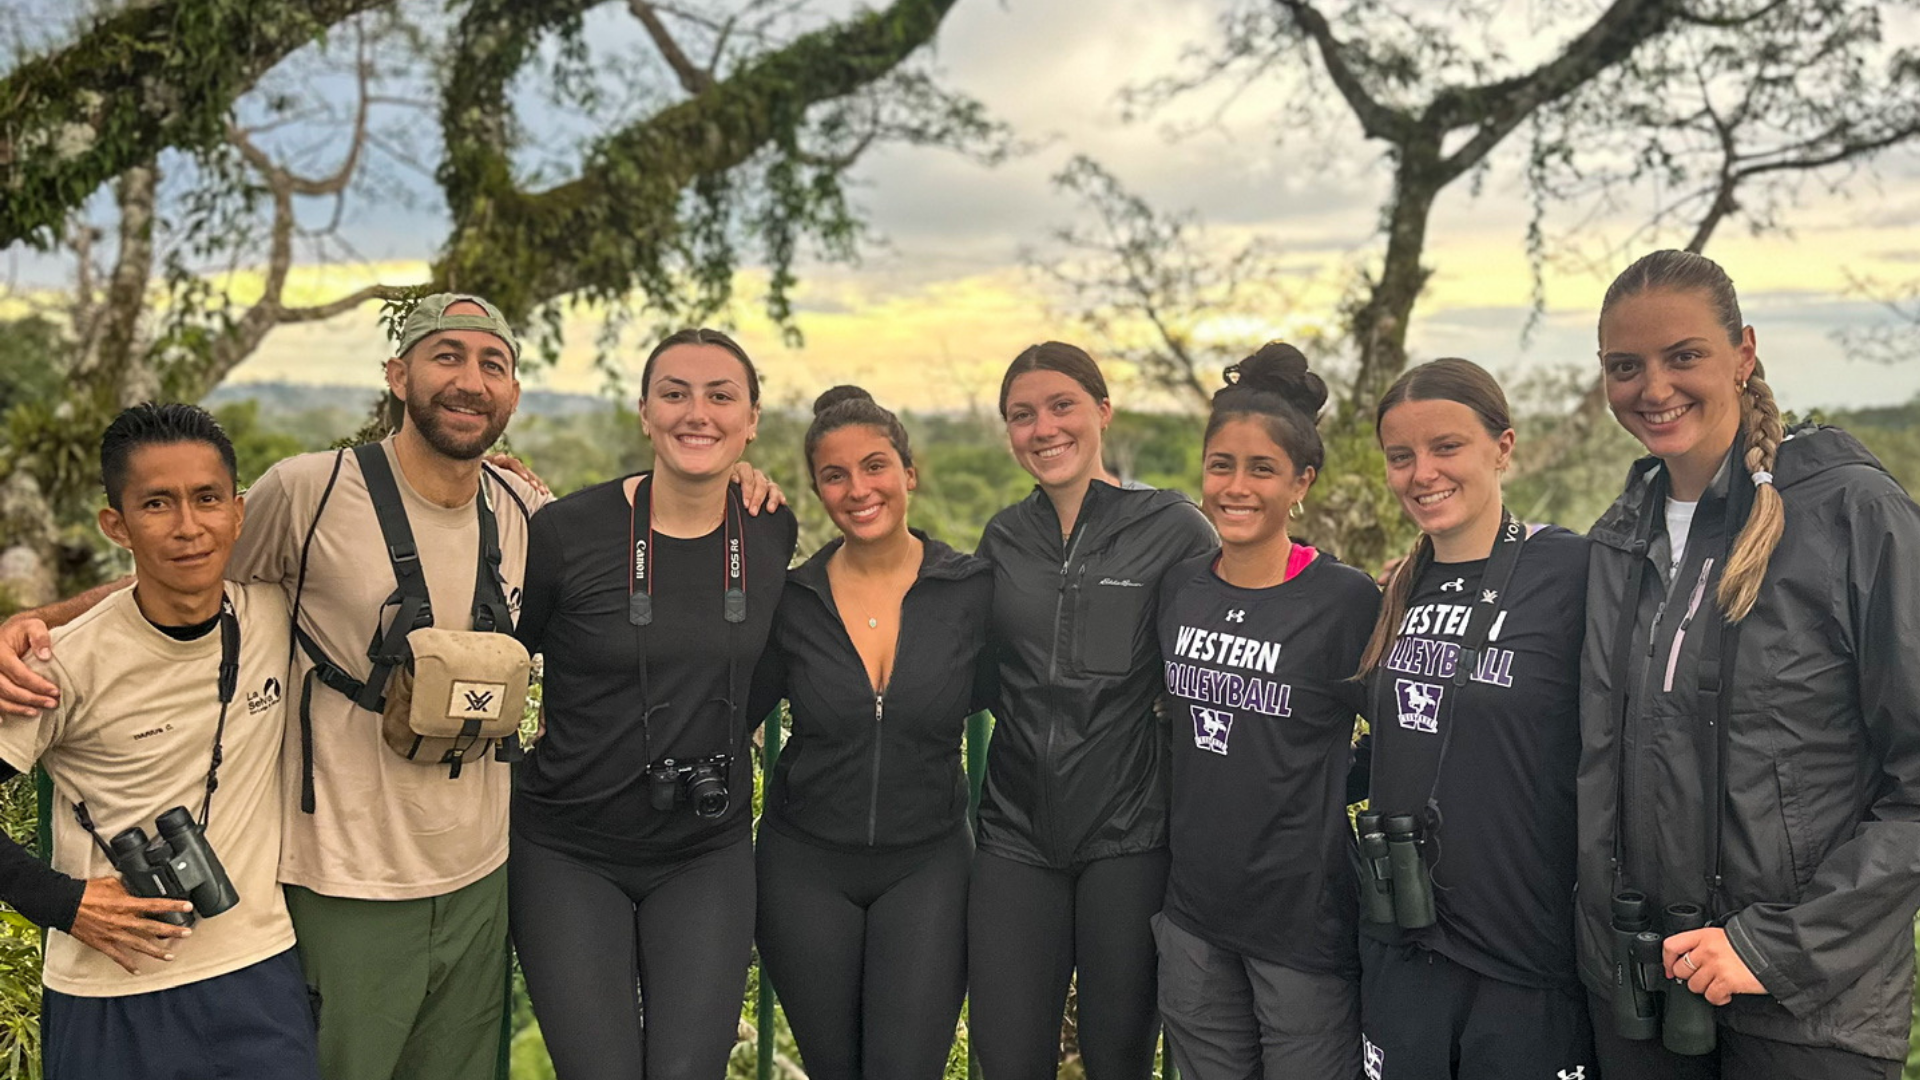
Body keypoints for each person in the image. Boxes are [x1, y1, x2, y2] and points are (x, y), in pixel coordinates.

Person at [1579, 249, 1920, 1079]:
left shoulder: (1849, 513)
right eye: (1626, 367)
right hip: (1642, 996)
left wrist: (1774, 949)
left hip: (1807, 1014)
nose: (1653, 389)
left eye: (1683, 356)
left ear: (1744, 353)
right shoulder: (1615, 541)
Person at [509, 328, 798, 1080]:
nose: (695, 413)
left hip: (704, 851)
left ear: (752, 419)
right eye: (674, 394)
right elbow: (506, 658)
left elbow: (765, 669)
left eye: (720, 396)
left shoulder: (770, 527)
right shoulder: (568, 532)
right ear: (644, 412)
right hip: (569, 849)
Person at [0, 403, 317, 1079]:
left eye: (206, 500)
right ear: (116, 525)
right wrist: (64, 902)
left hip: (256, 975)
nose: (188, 527)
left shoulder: (273, 612)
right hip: (108, 991)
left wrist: (489, 478)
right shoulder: (61, 665)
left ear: (238, 512)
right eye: (156, 504)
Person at [968, 341, 1218, 1080]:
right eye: (1021, 415)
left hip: (1129, 839)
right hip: (1014, 837)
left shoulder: (1175, 529)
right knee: (1007, 1058)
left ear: (1102, 412)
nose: (1042, 429)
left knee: (1119, 1060)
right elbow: (973, 673)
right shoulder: (1003, 539)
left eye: (1061, 406)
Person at [1352, 358, 1594, 1079]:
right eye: (1402, 456)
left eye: (1446, 447)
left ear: (1503, 447)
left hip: (1524, 957)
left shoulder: (1572, 571)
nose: (1422, 472)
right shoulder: (1397, 584)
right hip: (1403, 946)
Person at [751, 386, 992, 1080]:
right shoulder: (791, 600)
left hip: (931, 866)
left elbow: (1040, 691)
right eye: (835, 474)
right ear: (818, 489)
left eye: (876, 466)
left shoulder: (970, 591)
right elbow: (722, 706)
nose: (859, 488)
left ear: (909, 473)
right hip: (803, 870)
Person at [1151, 344, 1377, 1079]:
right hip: (1192, 914)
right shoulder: (1181, 588)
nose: (1236, 486)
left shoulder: (1343, 601)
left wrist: (1331, 792)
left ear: (1302, 481)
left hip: (1302, 924)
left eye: (1262, 469)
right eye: (1222, 465)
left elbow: (1408, 729)